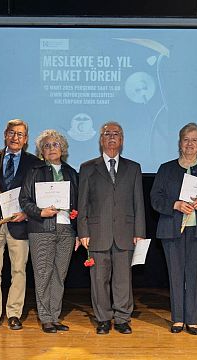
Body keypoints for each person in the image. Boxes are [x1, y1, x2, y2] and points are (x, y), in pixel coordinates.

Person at [151, 123, 197, 335]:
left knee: (196, 276)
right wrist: (174, 204)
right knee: (176, 275)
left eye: (194, 140)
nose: (190, 143)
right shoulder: (166, 169)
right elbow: (155, 198)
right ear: (179, 143)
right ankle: (177, 319)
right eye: (186, 139)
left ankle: (192, 320)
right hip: (172, 230)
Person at [78, 121, 146, 335]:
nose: (112, 137)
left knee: (123, 280)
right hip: (97, 233)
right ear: (101, 140)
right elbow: (82, 203)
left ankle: (122, 318)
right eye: (107, 133)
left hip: (126, 233)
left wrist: (140, 232)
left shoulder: (133, 168)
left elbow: (138, 203)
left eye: (116, 133)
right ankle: (103, 318)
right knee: (99, 280)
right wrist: (83, 232)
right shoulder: (88, 168)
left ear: (122, 139)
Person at [19, 129, 78, 334]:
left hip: (66, 230)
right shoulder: (34, 170)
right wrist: (40, 212)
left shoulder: (71, 172)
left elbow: (78, 203)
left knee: (59, 275)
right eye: (46, 145)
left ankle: (55, 315)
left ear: (62, 148)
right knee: (43, 274)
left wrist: (77, 231)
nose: (51, 148)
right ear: (41, 151)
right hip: (41, 229)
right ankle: (45, 318)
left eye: (55, 144)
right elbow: (24, 201)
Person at [0, 119, 42, 330]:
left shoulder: (35, 162)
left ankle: (14, 313)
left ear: (26, 139)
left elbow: (38, 195)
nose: (15, 137)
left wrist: (27, 214)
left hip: (20, 224)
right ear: (5, 135)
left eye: (20, 134)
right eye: (11, 133)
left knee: (18, 271)